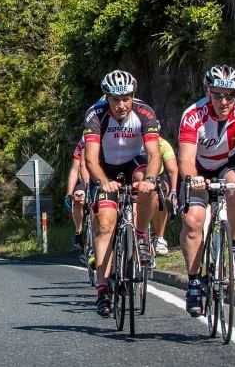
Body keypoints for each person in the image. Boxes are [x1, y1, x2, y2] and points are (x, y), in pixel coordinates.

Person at [177, 65, 235, 317]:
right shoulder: (193, 115)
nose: (224, 101)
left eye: (230, 95)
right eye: (217, 95)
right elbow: (186, 159)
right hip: (199, 169)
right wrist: (193, 179)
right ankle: (193, 282)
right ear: (208, 92)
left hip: (228, 164)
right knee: (193, 221)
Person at [82, 70, 163, 317]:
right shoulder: (95, 114)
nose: (121, 105)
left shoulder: (144, 112)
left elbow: (154, 154)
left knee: (147, 185)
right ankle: (103, 289)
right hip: (105, 168)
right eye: (115, 99)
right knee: (105, 225)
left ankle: (140, 235)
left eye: (126, 98)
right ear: (106, 97)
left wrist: (150, 179)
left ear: (133, 96)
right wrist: (104, 182)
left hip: (134, 163)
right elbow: (90, 159)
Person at [150, 137, 178, 256]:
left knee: (161, 192)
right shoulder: (132, 140)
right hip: (133, 174)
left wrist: (173, 191)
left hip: (157, 176)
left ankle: (159, 237)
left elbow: (172, 170)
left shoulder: (162, 144)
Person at [64, 137, 90, 252]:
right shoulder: (83, 142)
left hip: (106, 178)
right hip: (85, 181)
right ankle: (79, 231)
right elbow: (75, 170)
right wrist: (69, 194)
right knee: (78, 196)